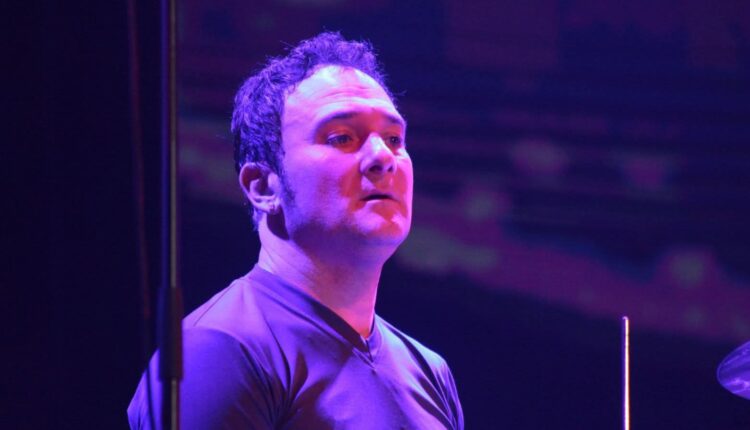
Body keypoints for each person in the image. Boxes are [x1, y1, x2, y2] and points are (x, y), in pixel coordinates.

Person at [128, 31, 464, 429]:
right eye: (342, 137)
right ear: (263, 187)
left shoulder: (428, 371)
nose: (382, 156)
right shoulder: (220, 349)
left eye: (394, 138)